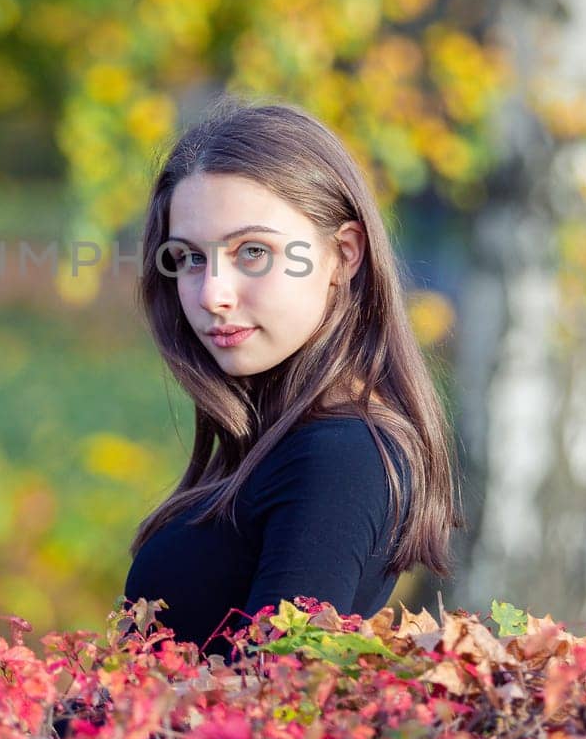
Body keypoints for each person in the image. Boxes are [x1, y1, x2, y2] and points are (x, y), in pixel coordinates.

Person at [120, 95, 462, 664]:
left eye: (252, 251)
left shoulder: (343, 455)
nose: (211, 294)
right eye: (190, 259)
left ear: (343, 254)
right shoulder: (285, 439)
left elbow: (273, 704)